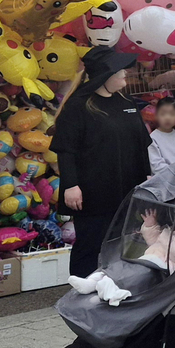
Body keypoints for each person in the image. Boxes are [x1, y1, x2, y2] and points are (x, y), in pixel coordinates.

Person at [56, 47, 152, 279]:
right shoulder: (78, 106)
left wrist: (147, 177)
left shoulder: (126, 102)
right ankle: (81, 290)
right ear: (105, 76)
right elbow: (65, 150)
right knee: (91, 242)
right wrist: (71, 185)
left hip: (128, 186)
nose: (125, 75)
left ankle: (120, 285)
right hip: (92, 190)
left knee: (128, 239)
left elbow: (141, 144)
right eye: (120, 71)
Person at [68, 209, 175, 306]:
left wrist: (165, 234)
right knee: (119, 266)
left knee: (132, 274)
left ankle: (110, 288)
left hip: (163, 266)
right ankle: (91, 282)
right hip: (151, 257)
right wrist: (151, 226)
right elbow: (154, 241)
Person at [147, 97, 175, 175]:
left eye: (172, 114)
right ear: (156, 116)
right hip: (163, 181)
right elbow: (156, 166)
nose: (167, 118)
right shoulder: (152, 138)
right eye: (163, 114)